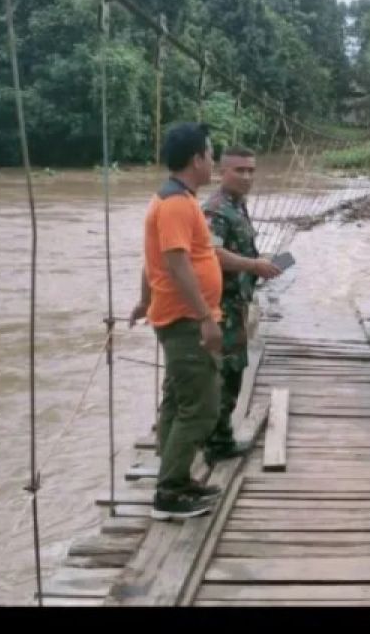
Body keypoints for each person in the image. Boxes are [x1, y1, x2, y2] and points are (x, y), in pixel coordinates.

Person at [128, 122, 224, 520]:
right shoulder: (176, 205)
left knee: (177, 402)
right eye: (210, 154)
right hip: (186, 319)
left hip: (176, 315)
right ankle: (169, 494)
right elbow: (174, 261)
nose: (214, 161)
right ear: (196, 159)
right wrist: (205, 317)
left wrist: (144, 299)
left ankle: (175, 477)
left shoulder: (170, 199)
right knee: (200, 407)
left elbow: (152, 260)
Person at [202, 145, 283, 462]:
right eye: (240, 170)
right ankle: (216, 441)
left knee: (233, 370)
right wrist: (253, 266)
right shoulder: (217, 211)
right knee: (228, 372)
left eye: (251, 170)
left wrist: (260, 266)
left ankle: (217, 436)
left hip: (237, 301)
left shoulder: (238, 206)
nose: (247, 176)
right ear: (223, 172)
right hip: (222, 306)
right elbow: (212, 255)